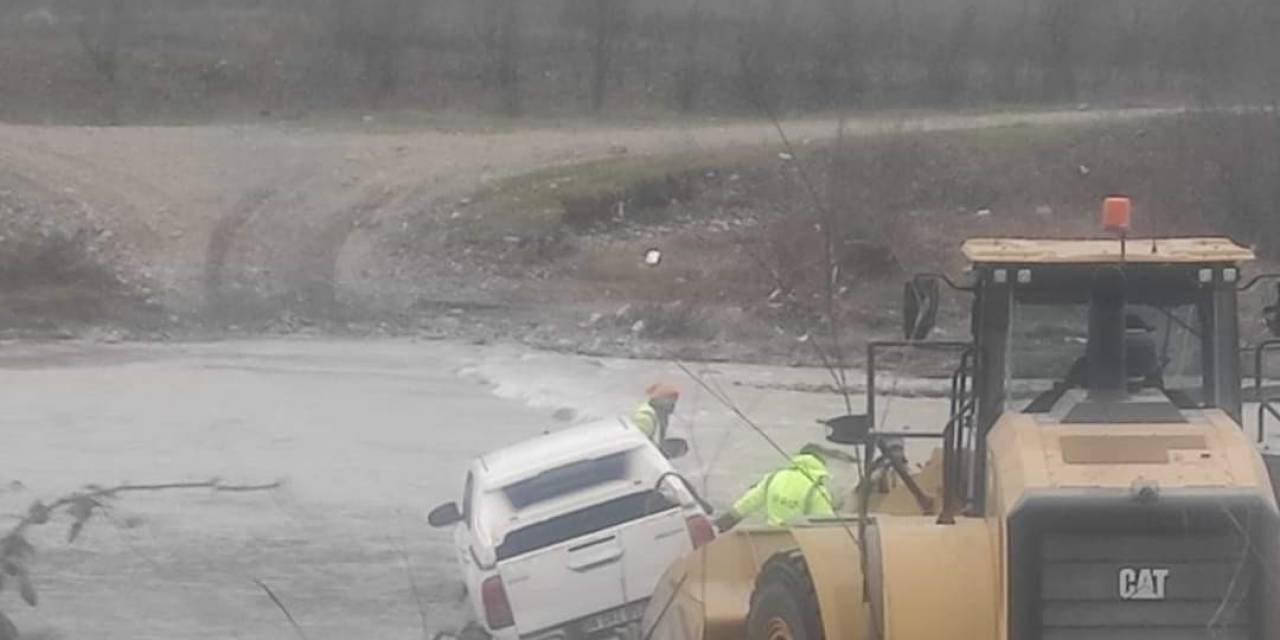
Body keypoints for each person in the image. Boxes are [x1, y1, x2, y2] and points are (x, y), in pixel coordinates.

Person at [713, 444, 836, 531]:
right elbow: (826, 524)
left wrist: (722, 524)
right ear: (821, 463)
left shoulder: (774, 477)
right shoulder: (817, 489)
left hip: (771, 537)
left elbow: (748, 502)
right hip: (800, 544)